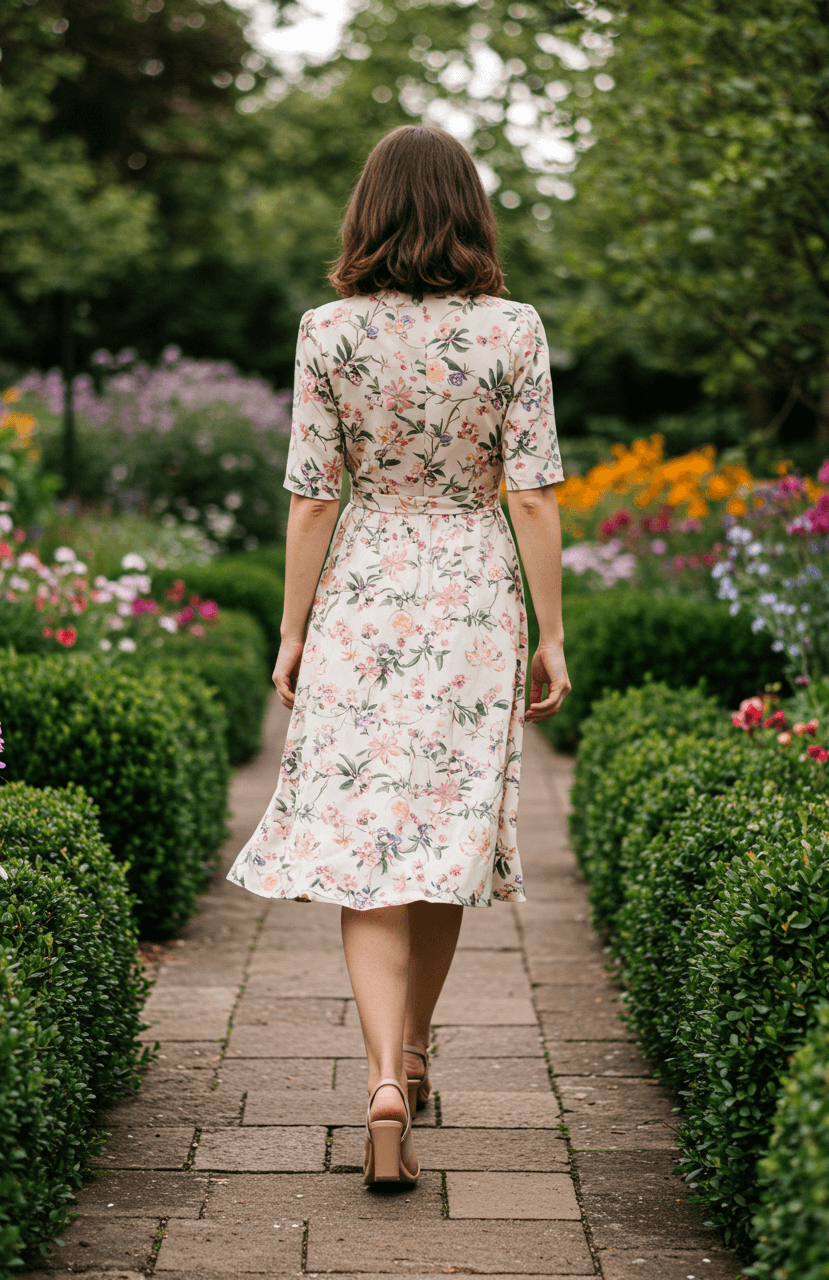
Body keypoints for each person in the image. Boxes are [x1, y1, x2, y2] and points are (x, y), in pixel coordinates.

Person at [227, 124, 570, 1185]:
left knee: (367, 841)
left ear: (364, 213)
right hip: (470, 600)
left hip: (364, 600)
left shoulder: (325, 331)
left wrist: (292, 629)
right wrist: (551, 632)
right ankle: (415, 1051)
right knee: (443, 840)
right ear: (470, 210)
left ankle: (380, 1078)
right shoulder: (511, 330)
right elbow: (530, 492)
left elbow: (308, 500)